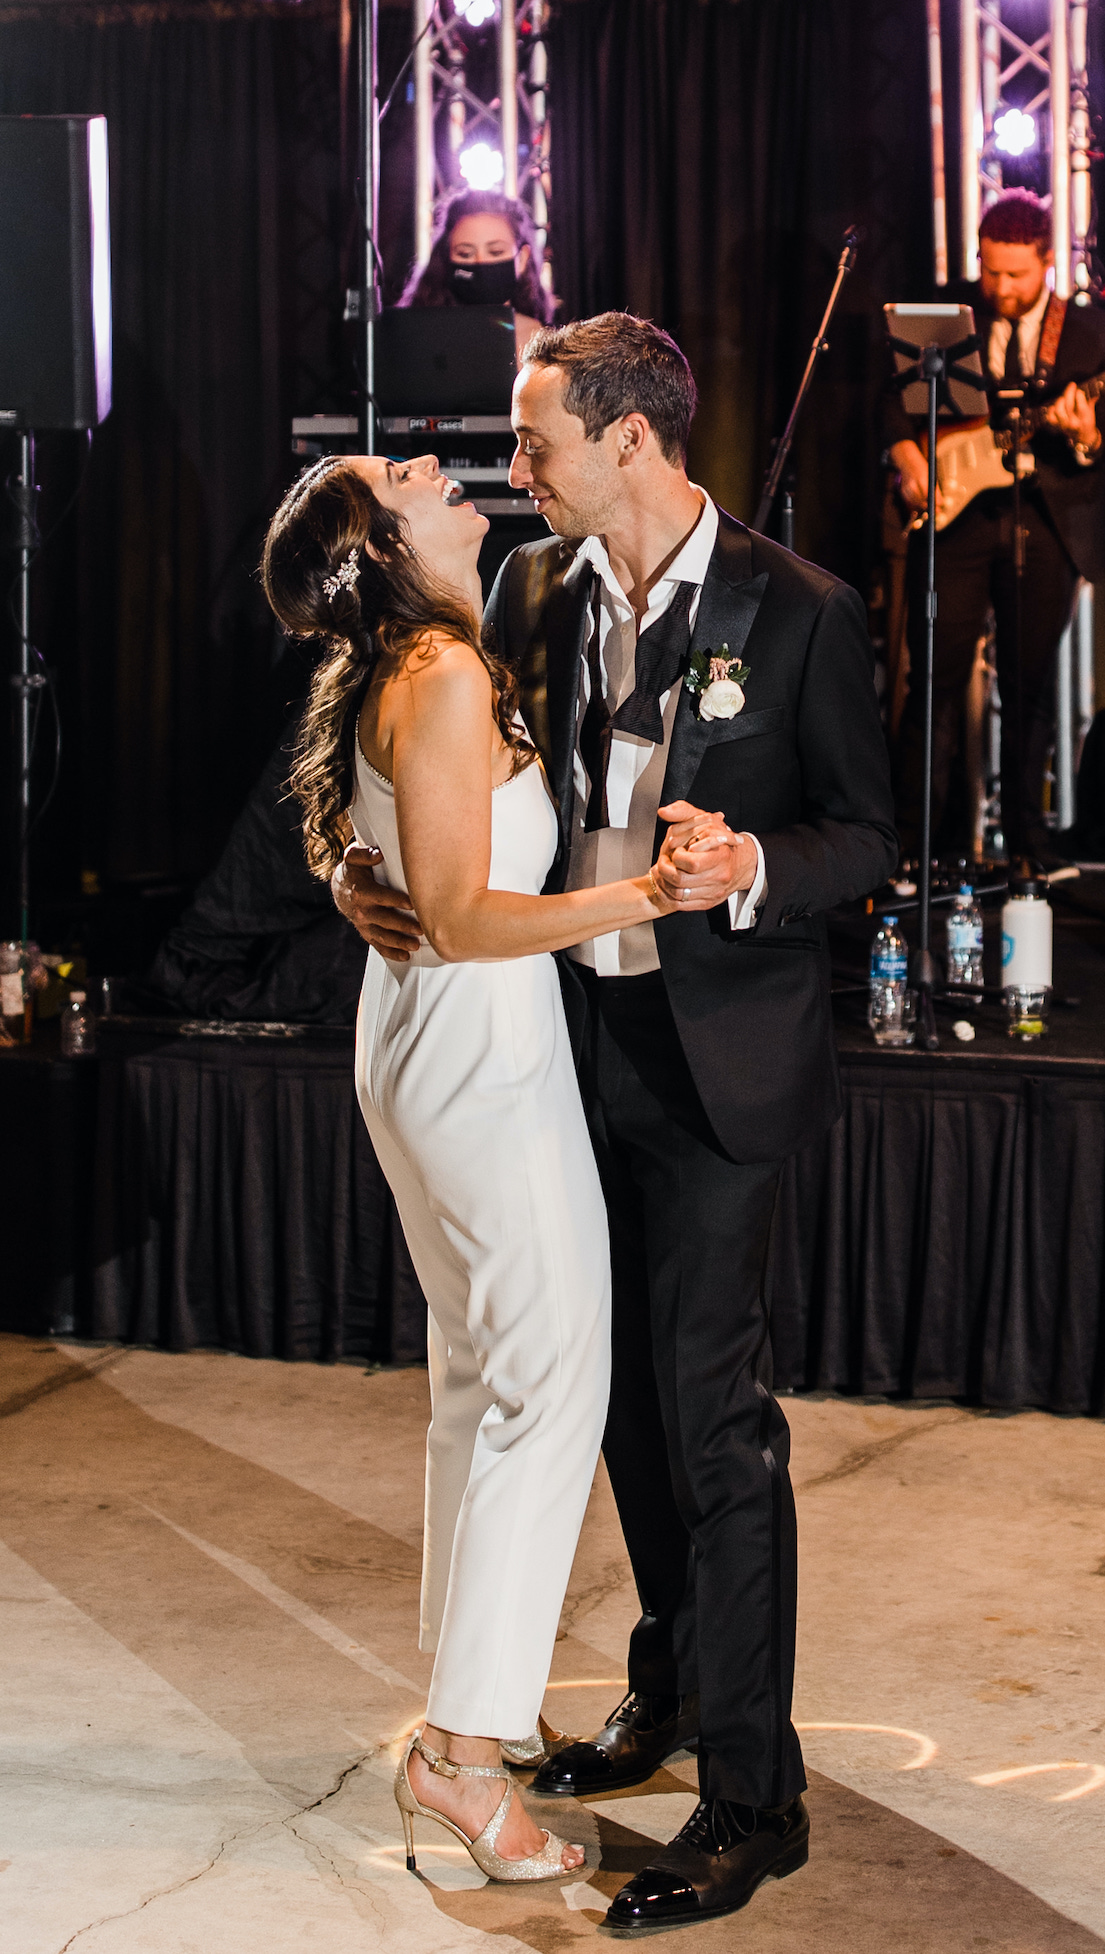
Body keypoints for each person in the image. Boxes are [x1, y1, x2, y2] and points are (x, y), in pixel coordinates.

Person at [333, 312, 898, 1931]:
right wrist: (357, 869)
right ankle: (664, 1686)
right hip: (570, 1045)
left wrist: (757, 871)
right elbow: (424, 767)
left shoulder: (799, 610)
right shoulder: (529, 592)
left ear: (631, 438)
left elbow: (866, 832)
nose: (519, 476)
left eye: (538, 446)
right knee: (621, 1411)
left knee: (714, 1417)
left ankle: (752, 1791)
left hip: (721, 1062)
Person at [260, 450, 695, 1886]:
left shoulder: (419, 657)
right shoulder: (441, 669)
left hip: (430, 1049)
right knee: (548, 1384)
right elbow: (452, 911)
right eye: (409, 475)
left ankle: (460, 1714)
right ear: (387, 541)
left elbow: (378, 847)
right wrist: (635, 896)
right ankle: (463, 1755)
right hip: (479, 1058)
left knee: (477, 1387)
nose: (444, 469)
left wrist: (341, 867)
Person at [884, 188, 1105, 863]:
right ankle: (912, 846)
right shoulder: (946, 314)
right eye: (991, 271)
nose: (1000, 286)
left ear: (1048, 263)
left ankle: (1027, 845)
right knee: (930, 682)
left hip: (1043, 523)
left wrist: (1086, 436)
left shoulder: (1085, 332)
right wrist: (906, 452)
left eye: (1016, 274)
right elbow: (893, 398)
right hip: (953, 522)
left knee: (1030, 689)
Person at [400, 186, 552, 358]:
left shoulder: (541, 339)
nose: (481, 262)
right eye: (465, 253)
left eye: (496, 252)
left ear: (523, 258)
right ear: (446, 257)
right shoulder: (417, 337)